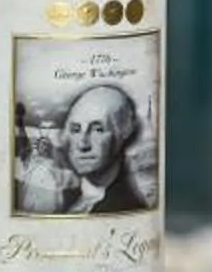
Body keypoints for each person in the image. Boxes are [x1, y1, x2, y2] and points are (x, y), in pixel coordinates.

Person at [61, 84, 147, 215]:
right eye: (76, 130)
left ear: (123, 133)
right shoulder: (62, 199)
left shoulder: (129, 206)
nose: (83, 144)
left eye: (98, 130)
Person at [13, 103, 79, 215]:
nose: (43, 146)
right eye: (41, 144)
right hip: (35, 201)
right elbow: (25, 149)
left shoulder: (55, 163)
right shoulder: (33, 160)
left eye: (45, 144)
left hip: (46, 199)